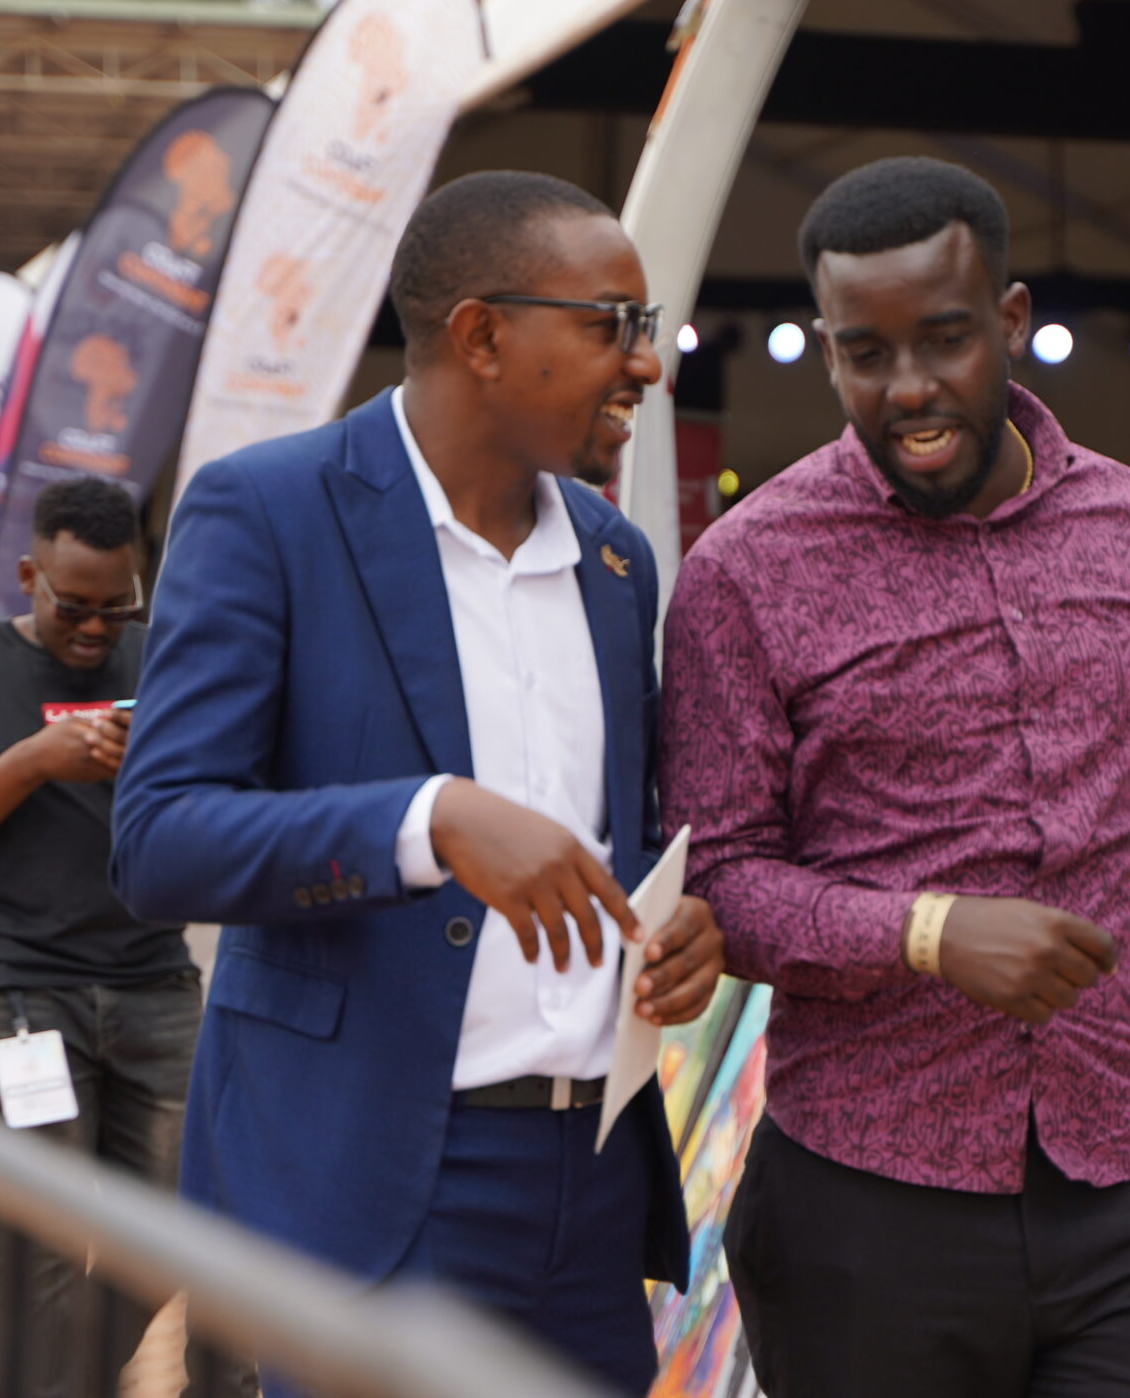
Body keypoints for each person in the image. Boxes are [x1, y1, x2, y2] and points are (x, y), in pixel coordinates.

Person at [660, 157, 1130, 1398]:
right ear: (827, 350)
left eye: (945, 339)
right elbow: (720, 885)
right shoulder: (745, 571)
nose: (909, 387)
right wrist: (926, 933)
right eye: (865, 354)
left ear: (1011, 321)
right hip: (868, 1196)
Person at [111, 171, 723, 1397]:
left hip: (593, 1182)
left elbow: (625, 836)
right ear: (481, 335)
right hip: (372, 1183)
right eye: (610, 325)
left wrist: (682, 926)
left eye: (644, 327)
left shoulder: (616, 561)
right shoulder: (267, 510)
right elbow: (160, 839)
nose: (645, 365)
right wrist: (424, 821)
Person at [0, 479, 202, 1394]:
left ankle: (61, 1381)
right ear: (30, 577)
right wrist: (32, 761)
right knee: (40, 1241)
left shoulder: (159, 660)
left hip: (153, 979)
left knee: (185, 1227)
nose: (96, 628)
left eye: (116, 605)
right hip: (13, 989)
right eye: (74, 606)